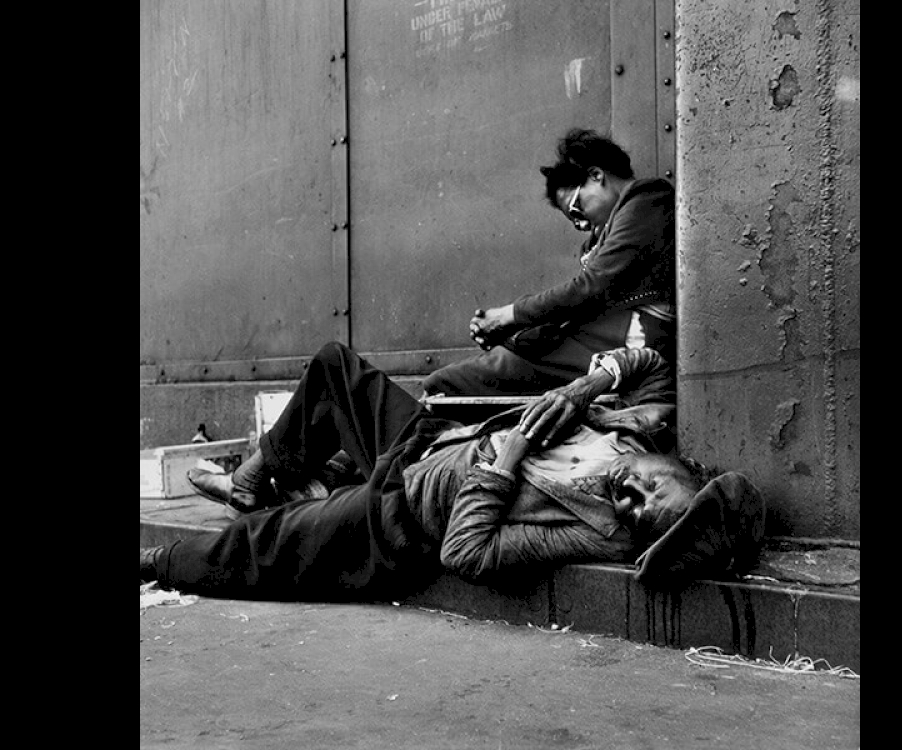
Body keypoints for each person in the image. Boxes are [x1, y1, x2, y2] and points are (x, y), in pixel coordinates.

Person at [140, 341, 765, 601]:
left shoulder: (596, 529)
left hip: (402, 513)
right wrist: (586, 388)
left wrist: (504, 465)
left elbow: (466, 553)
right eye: (650, 489)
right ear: (686, 467)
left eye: (639, 520)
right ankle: (255, 480)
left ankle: (158, 564)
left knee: (265, 548)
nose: (629, 498)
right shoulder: (641, 424)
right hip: (425, 442)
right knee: (337, 368)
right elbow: (649, 359)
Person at [421, 127, 676, 398]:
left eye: (576, 210)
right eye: (572, 220)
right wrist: (510, 327)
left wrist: (508, 315)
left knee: (450, 382)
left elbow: (589, 287)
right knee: (471, 374)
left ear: (596, 175)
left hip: (629, 344)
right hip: (603, 339)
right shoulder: (612, 226)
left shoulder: (646, 199)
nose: (579, 224)